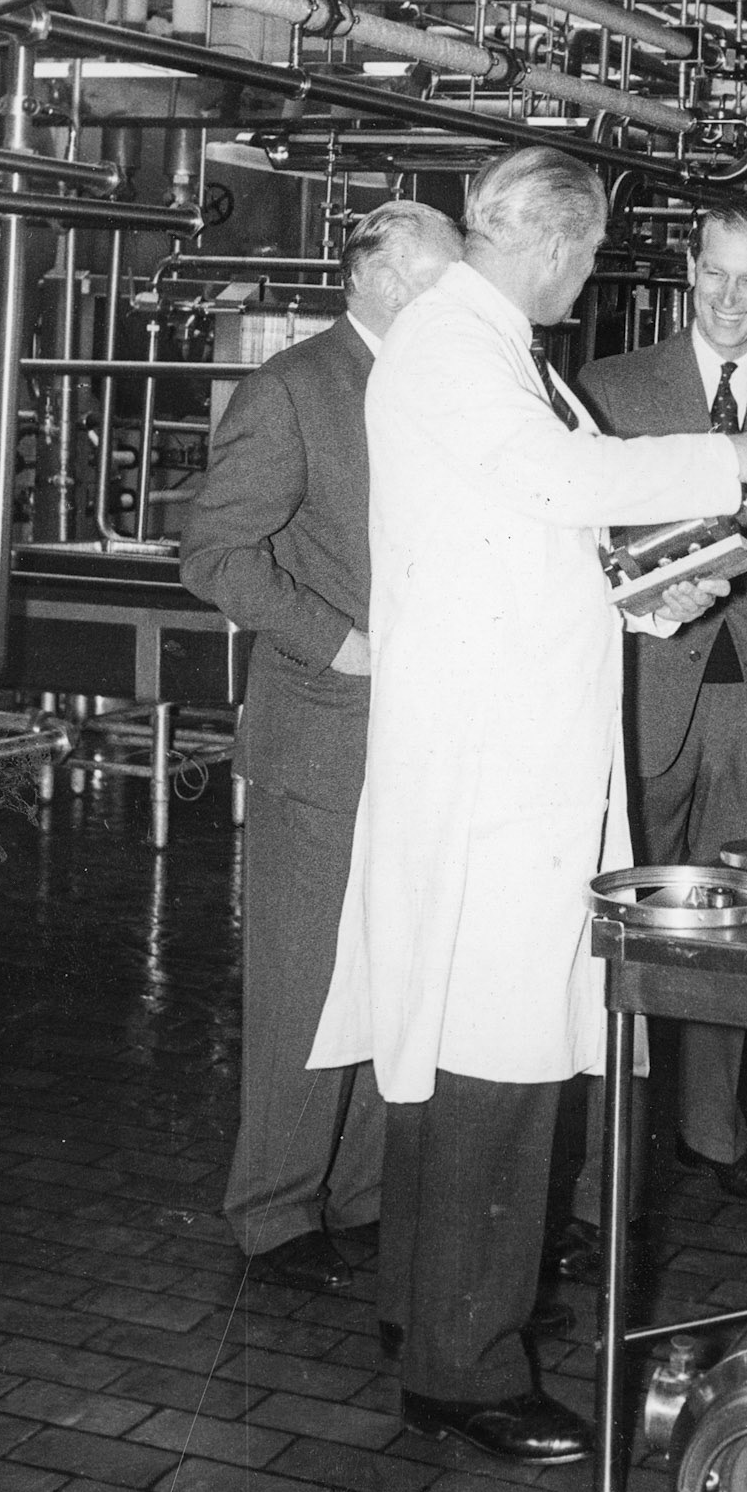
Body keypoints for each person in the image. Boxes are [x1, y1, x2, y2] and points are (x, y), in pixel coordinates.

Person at [307, 145, 747, 1465]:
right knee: (497, 1066)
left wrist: (657, 588)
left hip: (515, 757)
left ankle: (424, 1320)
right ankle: (464, 1372)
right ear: (541, 239)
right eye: (590, 252)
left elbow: (559, 533)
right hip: (494, 775)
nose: (594, 273)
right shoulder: (452, 349)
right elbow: (557, 485)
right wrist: (731, 457)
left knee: (463, 1055)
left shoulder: (502, 352)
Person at [561, 202, 747, 1266]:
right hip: (639, 684)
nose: (729, 300)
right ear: (686, 268)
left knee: (738, 915)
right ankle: (608, 1174)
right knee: (634, 926)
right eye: (712, 276)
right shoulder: (611, 389)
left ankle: (711, 1128)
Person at [179, 202, 462, 1293]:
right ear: (386, 278)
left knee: (386, 976)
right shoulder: (292, 388)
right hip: (322, 735)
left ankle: (359, 1198)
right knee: (304, 983)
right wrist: (336, 640)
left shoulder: (442, 385)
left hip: (422, 734)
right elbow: (213, 552)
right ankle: (274, 1213)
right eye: (443, 277)